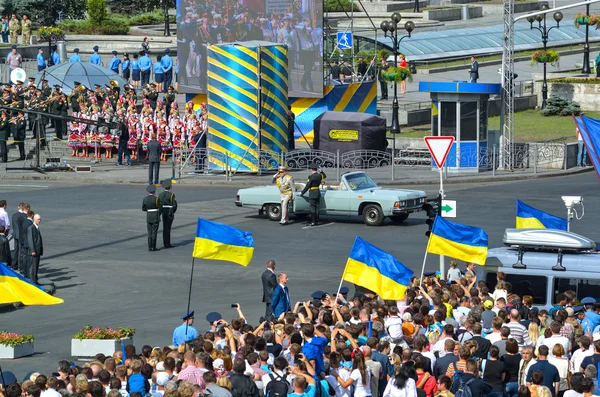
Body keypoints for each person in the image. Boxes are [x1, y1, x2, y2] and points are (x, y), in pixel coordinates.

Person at [158, 179, 177, 249]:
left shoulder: (160, 195)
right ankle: (167, 243)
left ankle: (165, 242)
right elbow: (174, 205)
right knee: (168, 228)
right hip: (169, 211)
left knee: (164, 228)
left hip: (163, 211)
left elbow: (159, 205)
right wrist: (172, 212)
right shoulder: (171, 195)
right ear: (170, 186)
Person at [142, 184, 160, 251]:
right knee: (154, 231)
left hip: (149, 216)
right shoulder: (156, 199)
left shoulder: (145, 199)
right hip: (155, 216)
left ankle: (149, 246)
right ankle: (153, 246)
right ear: (154, 191)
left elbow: (143, 208)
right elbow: (159, 207)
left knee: (149, 232)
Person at [25, 213, 43, 284]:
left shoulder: (36, 227)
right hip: (34, 251)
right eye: (38, 219)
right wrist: (33, 250)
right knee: (33, 266)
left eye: (40, 219)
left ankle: (35, 279)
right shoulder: (31, 228)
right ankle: (33, 280)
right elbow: (30, 240)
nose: (39, 221)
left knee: (36, 266)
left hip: (38, 250)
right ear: (35, 219)